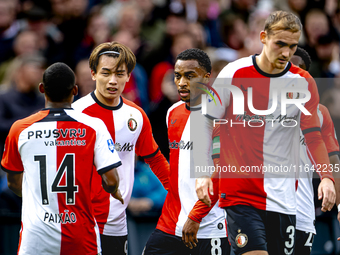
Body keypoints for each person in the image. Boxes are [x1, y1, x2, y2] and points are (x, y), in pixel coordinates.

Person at [195, 10, 336, 255]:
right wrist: (202, 171)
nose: (286, 53)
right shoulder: (234, 72)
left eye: (292, 47)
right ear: (263, 37)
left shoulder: (303, 82)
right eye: (279, 44)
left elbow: (313, 134)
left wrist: (326, 177)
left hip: (283, 200)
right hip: (241, 195)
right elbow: (205, 121)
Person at [0, 62, 123, 254]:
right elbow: (111, 180)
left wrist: (40, 198)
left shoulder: (20, 129)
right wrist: (113, 189)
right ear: (75, 90)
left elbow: (14, 183)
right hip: (80, 235)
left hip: (36, 238)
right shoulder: (94, 126)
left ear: (42, 89)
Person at [72, 41, 170, 255]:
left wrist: (179, 191)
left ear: (128, 77)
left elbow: (154, 158)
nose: (112, 80)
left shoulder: (136, 115)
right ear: (93, 74)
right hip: (80, 220)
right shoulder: (75, 115)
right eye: (105, 73)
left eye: (120, 73)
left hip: (116, 221)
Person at [144, 48, 229, 255]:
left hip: (209, 226)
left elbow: (222, 173)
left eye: (190, 76)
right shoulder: (172, 112)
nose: (182, 82)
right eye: (178, 75)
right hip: (171, 222)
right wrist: (174, 192)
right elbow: (176, 166)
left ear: (207, 78)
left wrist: (195, 216)